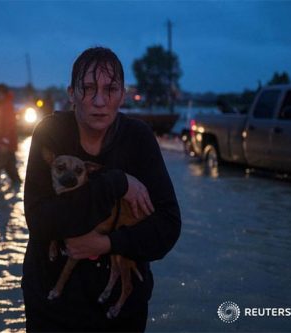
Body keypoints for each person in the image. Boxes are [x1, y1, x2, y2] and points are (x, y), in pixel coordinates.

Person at [22, 47, 181, 332]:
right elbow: (39, 220)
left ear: (122, 94)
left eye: (110, 89)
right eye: (88, 88)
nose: (99, 100)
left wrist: (108, 244)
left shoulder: (139, 138)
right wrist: (116, 183)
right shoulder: (50, 133)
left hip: (120, 317)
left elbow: (168, 226)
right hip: (51, 309)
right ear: (71, 93)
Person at [0, 83, 21, 185]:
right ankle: (19, 190)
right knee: (11, 170)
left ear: (3, 93)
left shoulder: (6, 106)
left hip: (3, 145)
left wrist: (4, 142)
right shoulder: (2, 105)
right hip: (4, 145)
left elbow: (9, 125)